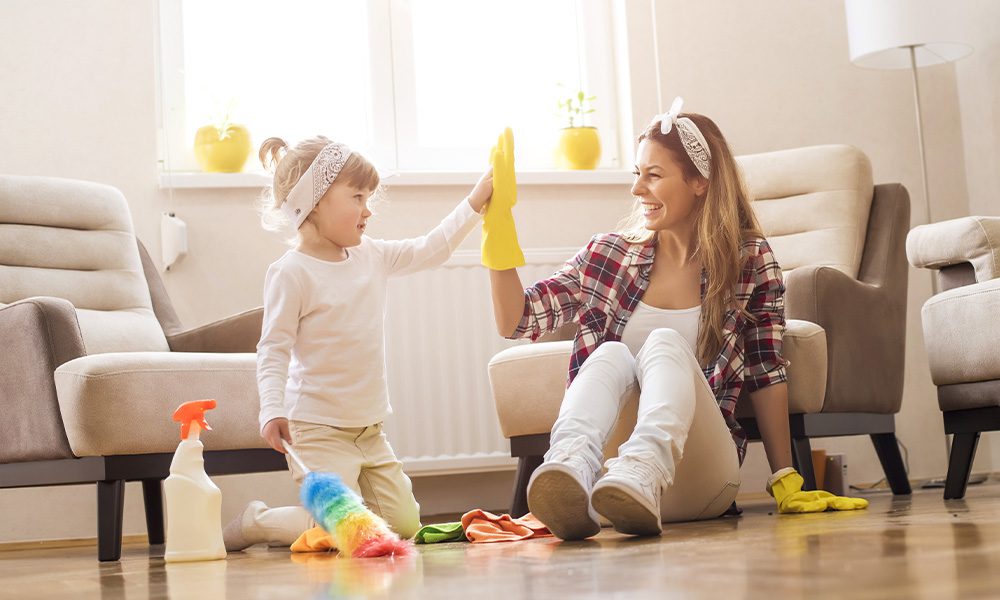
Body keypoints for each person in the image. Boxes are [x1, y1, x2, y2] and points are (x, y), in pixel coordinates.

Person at [485, 98, 867, 541]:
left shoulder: (749, 260)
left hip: (699, 476)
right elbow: (518, 320)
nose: (636, 189)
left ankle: (644, 468)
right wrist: (498, 231)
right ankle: (568, 466)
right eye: (636, 174)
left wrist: (785, 476)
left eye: (654, 175)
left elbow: (766, 369)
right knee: (608, 354)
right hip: (606, 487)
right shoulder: (609, 255)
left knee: (664, 343)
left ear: (700, 182)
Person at [224, 136, 493, 550]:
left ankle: (335, 516)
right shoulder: (291, 273)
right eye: (358, 197)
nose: (368, 210)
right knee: (340, 528)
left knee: (403, 524)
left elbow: (431, 249)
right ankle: (256, 521)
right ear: (314, 203)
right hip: (316, 430)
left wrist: (475, 202)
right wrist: (272, 409)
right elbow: (273, 349)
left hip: (369, 429)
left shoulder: (372, 256)